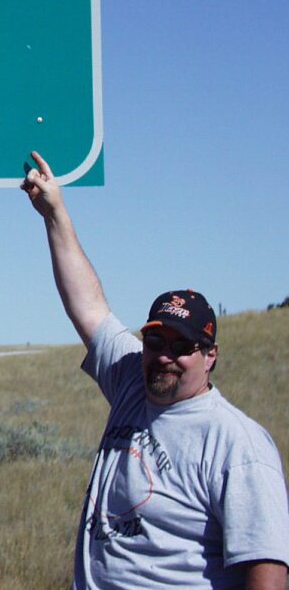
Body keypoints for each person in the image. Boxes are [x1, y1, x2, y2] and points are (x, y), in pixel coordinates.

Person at [22, 151, 289, 590]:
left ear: (210, 356)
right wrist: (54, 213)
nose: (165, 355)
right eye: (155, 341)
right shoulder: (133, 379)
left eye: (182, 346)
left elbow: (267, 571)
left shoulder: (237, 445)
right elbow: (89, 308)